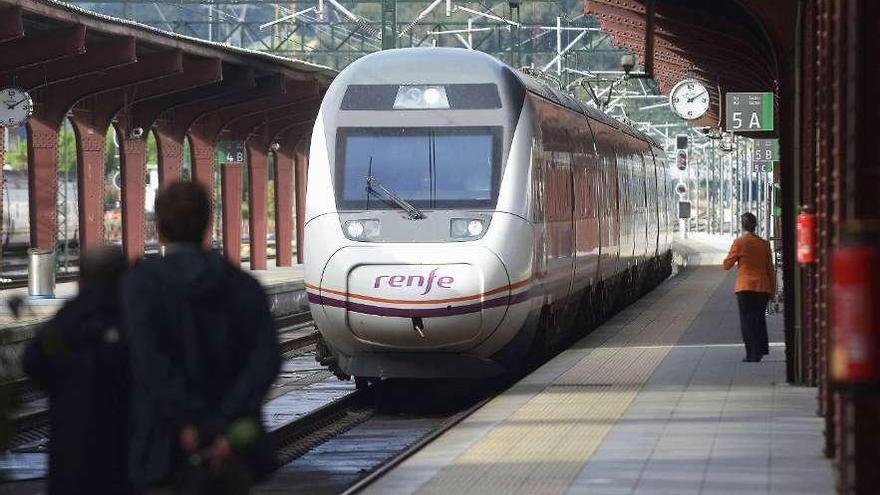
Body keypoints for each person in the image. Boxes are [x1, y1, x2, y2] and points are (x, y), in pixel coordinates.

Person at [123, 181, 281, 494]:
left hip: (162, 443)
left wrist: (191, 422)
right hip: (232, 445)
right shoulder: (244, 286)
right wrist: (223, 421)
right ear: (209, 224)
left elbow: (149, 361)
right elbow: (266, 359)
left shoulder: (140, 287)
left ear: (160, 228)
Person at [23, 246, 132, 495]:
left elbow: (33, 362)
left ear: (80, 279)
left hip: (73, 450)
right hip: (124, 450)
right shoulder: (135, 319)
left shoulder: (67, 319)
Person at [722, 212, 776, 362]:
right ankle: (760, 350)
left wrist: (731, 258)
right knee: (759, 319)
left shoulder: (739, 242)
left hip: (745, 288)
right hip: (762, 287)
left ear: (742, 225)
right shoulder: (764, 244)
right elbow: (770, 269)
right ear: (755, 225)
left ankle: (752, 354)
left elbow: (727, 265)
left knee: (747, 321)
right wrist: (773, 290)